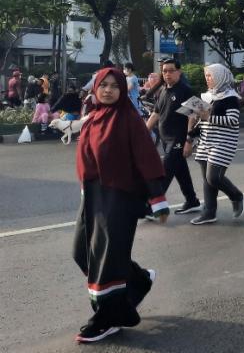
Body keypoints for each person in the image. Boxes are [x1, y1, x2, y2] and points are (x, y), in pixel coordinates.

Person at [72, 67, 169, 343]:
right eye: (104, 85)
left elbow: (146, 158)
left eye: (115, 86)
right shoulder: (93, 117)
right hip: (93, 196)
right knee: (82, 252)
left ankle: (108, 318)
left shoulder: (129, 119)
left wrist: (157, 199)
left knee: (106, 259)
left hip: (119, 197)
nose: (109, 90)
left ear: (123, 90)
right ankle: (138, 280)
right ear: (96, 88)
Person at [186, 64, 244, 225]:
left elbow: (233, 120)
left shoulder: (230, 97)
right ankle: (209, 212)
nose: (207, 78)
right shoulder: (206, 96)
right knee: (207, 179)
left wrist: (208, 117)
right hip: (206, 141)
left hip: (224, 142)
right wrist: (190, 136)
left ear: (220, 76)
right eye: (206, 75)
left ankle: (236, 196)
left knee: (213, 177)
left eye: (210, 75)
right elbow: (198, 119)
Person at [146, 58, 201, 215]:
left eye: (171, 70)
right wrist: (143, 134)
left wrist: (189, 140)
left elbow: (195, 114)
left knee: (165, 171)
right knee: (180, 171)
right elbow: (156, 114)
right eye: (164, 71)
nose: (167, 74)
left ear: (179, 72)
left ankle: (153, 206)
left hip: (178, 139)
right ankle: (192, 201)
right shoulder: (163, 90)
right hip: (165, 139)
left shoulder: (185, 90)